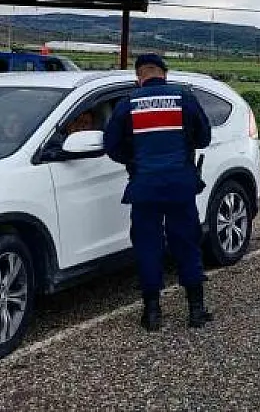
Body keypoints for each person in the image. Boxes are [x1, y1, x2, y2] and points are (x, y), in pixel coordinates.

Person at [103, 53, 213, 332]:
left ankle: (151, 313)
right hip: (180, 185)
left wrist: (135, 159)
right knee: (187, 243)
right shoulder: (183, 97)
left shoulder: (128, 103)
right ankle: (196, 311)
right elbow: (204, 137)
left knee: (147, 247)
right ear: (165, 73)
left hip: (144, 187)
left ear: (138, 76)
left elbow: (112, 146)